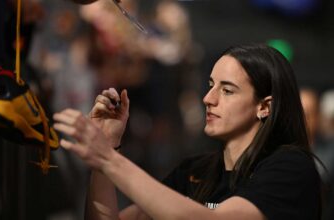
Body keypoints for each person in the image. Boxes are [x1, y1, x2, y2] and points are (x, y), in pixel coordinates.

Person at [53, 44, 321, 220]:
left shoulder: (290, 168)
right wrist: (108, 147)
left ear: (264, 107)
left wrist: (109, 160)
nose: (208, 98)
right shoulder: (194, 172)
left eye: (227, 90)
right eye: (211, 85)